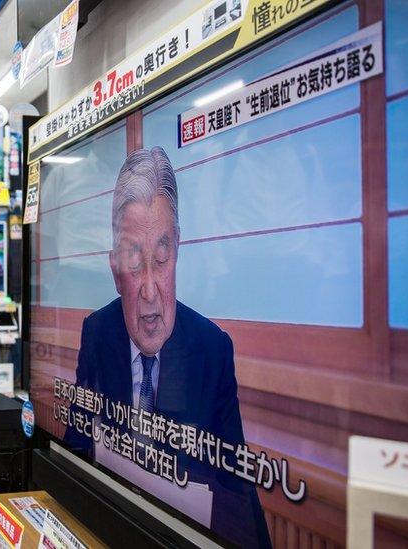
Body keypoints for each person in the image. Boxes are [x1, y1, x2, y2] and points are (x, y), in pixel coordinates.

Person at [64, 147, 270, 548]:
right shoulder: (98, 332)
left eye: (161, 259)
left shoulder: (212, 350)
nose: (149, 289)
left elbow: (237, 485)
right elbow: (76, 446)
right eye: (133, 263)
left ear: (177, 252)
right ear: (114, 270)